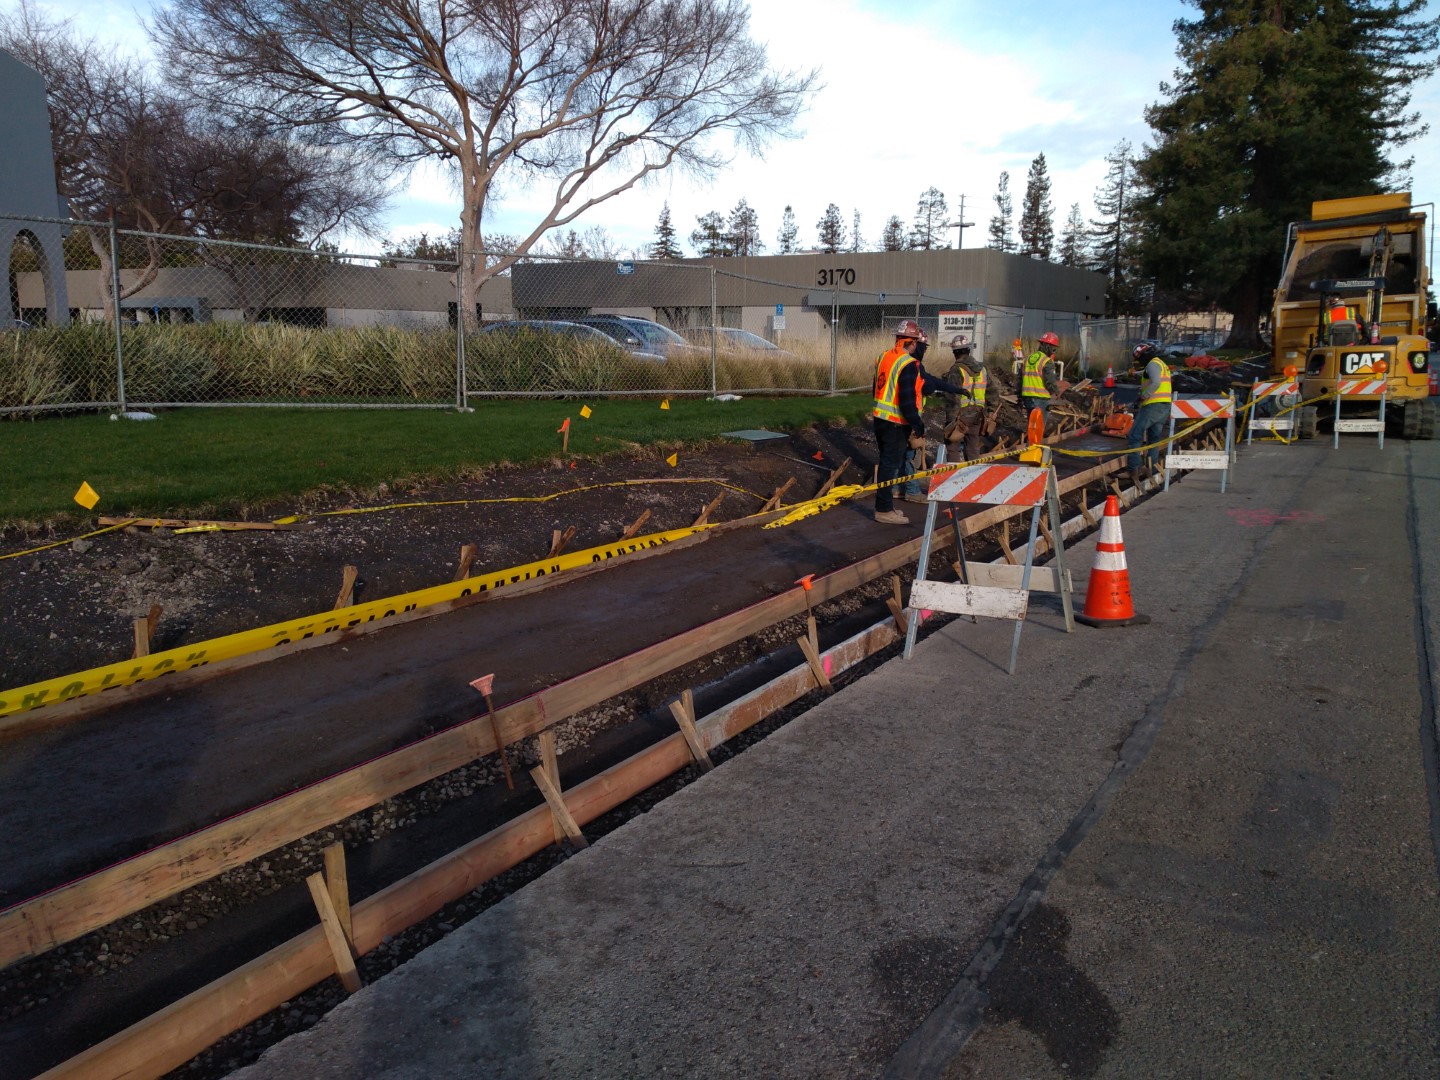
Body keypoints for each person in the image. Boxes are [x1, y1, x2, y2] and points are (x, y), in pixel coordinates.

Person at [872, 319, 968, 523]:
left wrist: (954, 389)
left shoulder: (885, 357)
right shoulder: (908, 364)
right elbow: (907, 400)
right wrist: (918, 424)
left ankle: (887, 505)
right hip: (896, 422)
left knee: (887, 463)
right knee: (889, 466)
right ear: (913, 342)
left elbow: (878, 388)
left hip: (880, 418)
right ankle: (883, 510)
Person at [1124, 343, 1171, 478]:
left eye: (1139, 358)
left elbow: (1156, 382)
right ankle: (1152, 468)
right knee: (1154, 439)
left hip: (1152, 406)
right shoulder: (1161, 364)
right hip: (1164, 406)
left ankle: (1134, 469)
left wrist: (1143, 396)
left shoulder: (1152, 364)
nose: (1138, 361)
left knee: (1134, 435)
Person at [941, 334, 988, 461]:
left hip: (961, 415)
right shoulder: (982, 369)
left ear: (954, 353)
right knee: (972, 447)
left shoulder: (956, 370)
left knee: (952, 445)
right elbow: (992, 392)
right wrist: (990, 412)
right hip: (978, 414)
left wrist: (951, 421)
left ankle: (953, 475)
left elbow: (952, 397)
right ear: (968, 350)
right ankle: (971, 477)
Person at [1019, 331, 1062, 423]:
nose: (1053, 352)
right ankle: (1035, 438)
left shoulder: (1028, 358)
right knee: (1039, 426)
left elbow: (1019, 379)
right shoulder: (1046, 361)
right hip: (1040, 398)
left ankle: (1029, 438)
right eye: (1053, 349)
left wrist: (1019, 396)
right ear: (1048, 346)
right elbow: (1049, 380)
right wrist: (1056, 391)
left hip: (1027, 397)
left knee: (1032, 425)